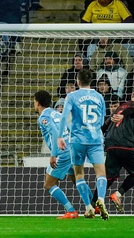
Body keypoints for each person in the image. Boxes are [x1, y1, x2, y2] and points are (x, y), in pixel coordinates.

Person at [57, 68, 109, 220]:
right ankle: (101, 199)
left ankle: (88, 207)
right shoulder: (99, 97)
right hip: (95, 140)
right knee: (101, 173)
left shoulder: (72, 96)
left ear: (78, 81)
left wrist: (60, 137)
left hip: (77, 140)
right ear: (91, 81)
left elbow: (64, 116)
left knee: (79, 174)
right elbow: (101, 120)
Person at [102, 86, 134, 213]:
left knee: (109, 177)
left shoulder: (120, 107)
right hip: (126, 144)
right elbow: (133, 108)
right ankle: (117, 194)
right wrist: (123, 116)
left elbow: (106, 124)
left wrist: (97, 136)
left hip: (111, 145)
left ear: (132, 94)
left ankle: (94, 203)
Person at [34, 89, 78, 219]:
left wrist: (53, 155)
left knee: (49, 184)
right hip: (71, 149)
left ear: (38, 103)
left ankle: (71, 211)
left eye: (34, 101)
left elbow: (54, 133)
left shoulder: (43, 117)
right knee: (77, 180)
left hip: (62, 153)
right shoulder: (56, 113)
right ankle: (93, 205)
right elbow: (69, 128)